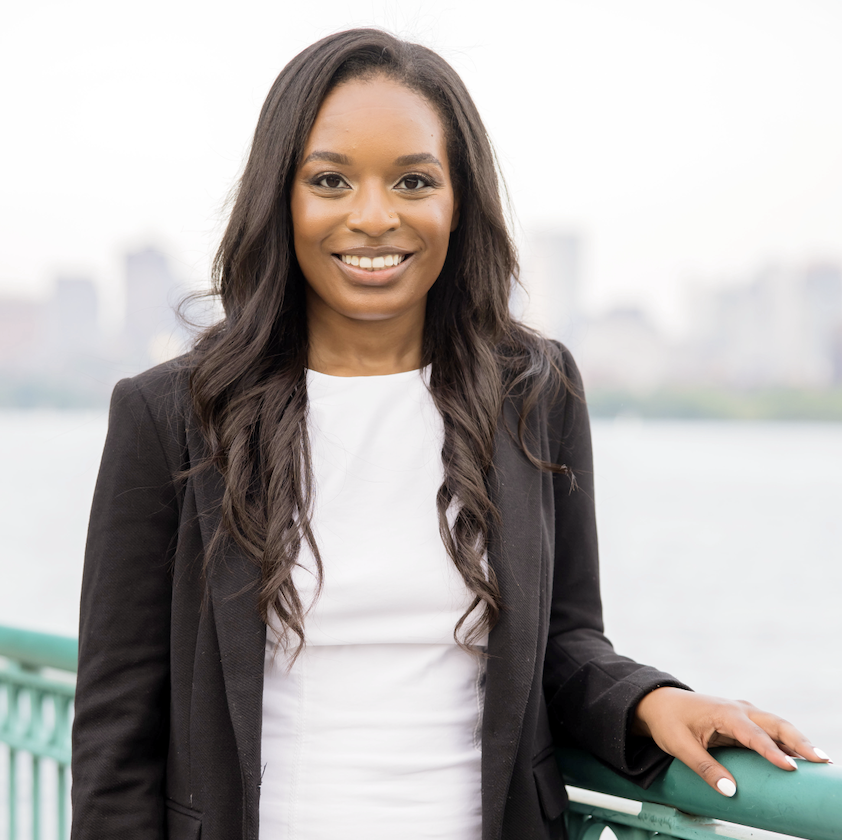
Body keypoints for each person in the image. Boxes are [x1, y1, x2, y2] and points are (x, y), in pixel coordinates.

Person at [70, 28, 830, 840]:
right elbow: (118, 729)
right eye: (330, 180)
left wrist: (654, 702)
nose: (373, 216)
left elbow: (564, 644)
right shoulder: (172, 414)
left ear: (457, 200)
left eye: (412, 180)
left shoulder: (535, 390)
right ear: (280, 198)